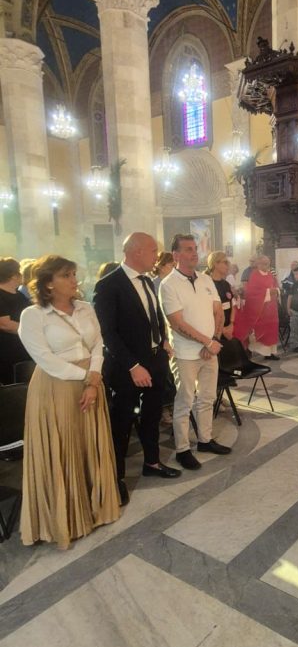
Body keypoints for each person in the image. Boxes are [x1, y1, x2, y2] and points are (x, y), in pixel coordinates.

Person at [17, 255, 120, 548]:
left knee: (89, 443)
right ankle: (66, 518)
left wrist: (94, 377)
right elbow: (45, 359)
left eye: (74, 274)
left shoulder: (86, 308)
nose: (75, 280)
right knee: (65, 447)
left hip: (91, 381)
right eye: (66, 275)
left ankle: (95, 509)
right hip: (57, 386)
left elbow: (98, 343)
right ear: (48, 283)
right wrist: (87, 377)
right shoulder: (33, 315)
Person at [94, 232, 181, 504]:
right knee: (121, 422)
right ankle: (116, 477)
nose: (157, 256)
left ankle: (152, 462)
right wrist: (133, 365)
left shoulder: (147, 281)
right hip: (126, 367)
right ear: (137, 251)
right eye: (153, 250)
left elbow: (153, 317)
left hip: (155, 360)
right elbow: (107, 333)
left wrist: (162, 340)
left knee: (152, 415)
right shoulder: (109, 285)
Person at [159, 235, 231, 470]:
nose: (194, 253)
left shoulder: (205, 279)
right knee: (184, 401)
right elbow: (177, 323)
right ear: (176, 255)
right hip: (185, 353)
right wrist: (206, 342)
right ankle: (182, 449)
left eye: (195, 249)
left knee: (207, 397)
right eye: (188, 249)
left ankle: (205, 440)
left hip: (210, 349)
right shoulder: (168, 284)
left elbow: (218, 311)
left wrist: (215, 340)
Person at [233, 254, 280, 359]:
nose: (266, 266)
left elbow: (276, 286)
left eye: (268, 264)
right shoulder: (254, 275)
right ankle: (252, 350)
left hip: (271, 310)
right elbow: (252, 292)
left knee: (271, 331)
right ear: (258, 264)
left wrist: (276, 290)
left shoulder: (270, 275)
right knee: (260, 332)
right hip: (260, 310)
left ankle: (271, 353)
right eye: (264, 264)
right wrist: (268, 292)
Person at [0, 257, 32, 384]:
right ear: (13, 275)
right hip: (7, 354)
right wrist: (32, 330)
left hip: (24, 351)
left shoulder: (19, 295)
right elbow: (5, 324)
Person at [206, 250, 236, 340]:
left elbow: (232, 305)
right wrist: (221, 329)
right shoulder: (207, 284)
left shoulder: (226, 284)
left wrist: (231, 324)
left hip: (228, 329)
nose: (228, 265)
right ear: (215, 264)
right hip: (214, 331)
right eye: (225, 262)